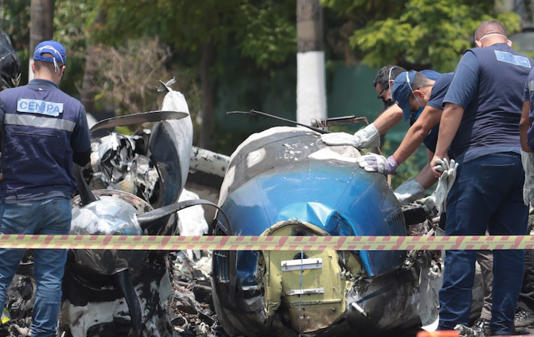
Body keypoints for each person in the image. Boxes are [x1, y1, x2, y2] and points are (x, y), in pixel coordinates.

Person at [357, 70, 494, 334]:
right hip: (464, 177)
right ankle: (466, 316)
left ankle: (490, 315)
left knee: (482, 245)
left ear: (417, 94)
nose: (415, 114)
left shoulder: (441, 87)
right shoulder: (427, 107)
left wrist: (391, 163)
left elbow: (420, 129)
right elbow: (435, 164)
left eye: (412, 106)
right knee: (462, 245)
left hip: (478, 173)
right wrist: (412, 192)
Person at [430, 21, 531, 335]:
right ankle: (502, 326)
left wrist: (440, 153)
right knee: (510, 247)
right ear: (507, 41)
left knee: (461, 243)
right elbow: (528, 118)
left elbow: (453, 107)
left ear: (479, 39)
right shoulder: (528, 64)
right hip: (518, 164)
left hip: (479, 162)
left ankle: (451, 325)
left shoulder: (475, 58)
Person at [0, 40, 91, 337]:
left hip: (16, 202)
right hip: (56, 205)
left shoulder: (7, 100)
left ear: (32, 66)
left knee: (1, 276)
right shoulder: (74, 108)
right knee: (50, 277)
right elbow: (83, 159)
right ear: (61, 70)